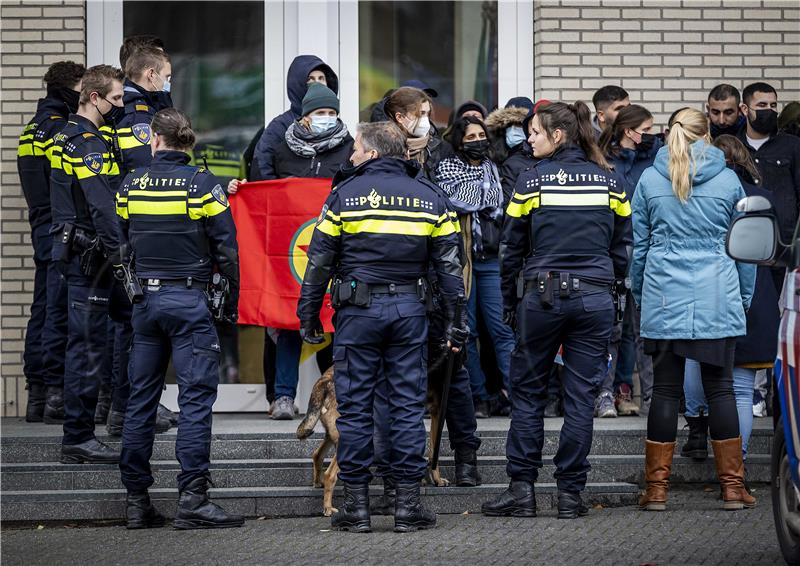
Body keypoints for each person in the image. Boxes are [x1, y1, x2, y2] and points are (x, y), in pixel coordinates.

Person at [297, 121, 466, 533]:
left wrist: (307, 314)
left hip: (358, 315)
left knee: (355, 409)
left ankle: (357, 509)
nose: (351, 155)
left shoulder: (343, 196)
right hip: (410, 312)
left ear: (372, 153)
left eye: (355, 148)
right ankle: (407, 506)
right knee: (407, 407)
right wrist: (457, 322)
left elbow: (318, 261)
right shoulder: (431, 198)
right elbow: (449, 268)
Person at [482, 101, 631, 519]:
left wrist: (510, 305)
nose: (528, 138)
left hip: (542, 298)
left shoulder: (531, 181)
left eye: (534, 132)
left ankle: (522, 491)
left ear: (558, 135)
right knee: (581, 399)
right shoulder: (610, 179)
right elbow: (623, 248)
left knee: (528, 393)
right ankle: (570, 496)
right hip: (595, 298)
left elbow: (510, 248)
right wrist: (612, 292)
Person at [116, 108, 243, 530]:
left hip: (145, 305)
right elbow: (227, 248)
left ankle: (136, 502)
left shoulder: (130, 185)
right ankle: (193, 500)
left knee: (141, 402)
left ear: (154, 140)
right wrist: (231, 300)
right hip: (189, 301)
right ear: (188, 142)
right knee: (195, 403)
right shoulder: (203, 185)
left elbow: (122, 242)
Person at [632, 108, 756, 511]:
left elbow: (640, 247)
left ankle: (656, 491)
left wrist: (640, 292)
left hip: (664, 295)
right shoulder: (728, 180)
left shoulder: (650, 178)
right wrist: (744, 298)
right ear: (707, 136)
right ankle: (733, 489)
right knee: (720, 390)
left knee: (665, 391)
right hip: (717, 293)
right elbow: (745, 249)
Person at [680, 135, 780, 462]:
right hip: (754, 298)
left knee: (695, 362)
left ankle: (697, 433)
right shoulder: (762, 198)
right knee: (740, 389)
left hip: (704, 292)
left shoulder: (692, 195)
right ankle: (735, 468)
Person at [49, 65, 126, 464]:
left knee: (89, 341)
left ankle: (86, 429)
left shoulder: (65, 135)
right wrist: (120, 255)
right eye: (115, 99)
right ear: (93, 97)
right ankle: (78, 436)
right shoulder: (87, 142)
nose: (120, 107)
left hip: (74, 253)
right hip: (88, 258)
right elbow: (101, 206)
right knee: (87, 346)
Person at [263, 81, 353, 420]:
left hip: (336, 249)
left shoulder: (348, 147)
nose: (326, 118)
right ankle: (283, 396)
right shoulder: (282, 148)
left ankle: (338, 395)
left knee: (336, 321)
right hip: (294, 255)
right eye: (320, 113)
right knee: (291, 322)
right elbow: (266, 186)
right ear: (304, 117)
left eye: (332, 113)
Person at [99, 44, 175, 436]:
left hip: (127, 228)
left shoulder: (137, 105)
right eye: (165, 74)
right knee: (131, 324)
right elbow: (146, 170)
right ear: (149, 76)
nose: (167, 80)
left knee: (130, 323)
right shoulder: (137, 113)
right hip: (133, 230)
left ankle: (124, 406)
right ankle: (124, 409)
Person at [17, 61, 85, 423]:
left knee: (42, 309)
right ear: (68, 89)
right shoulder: (60, 131)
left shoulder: (31, 130)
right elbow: (67, 184)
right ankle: (55, 396)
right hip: (61, 230)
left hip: (41, 228)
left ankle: (37, 396)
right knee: (57, 313)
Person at [436, 116, 514, 419]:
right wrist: (481, 196)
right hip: (462, 261)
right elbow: (453, 200)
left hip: (492, 260)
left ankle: (514, 393)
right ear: (459, 140)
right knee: (465, 330)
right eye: (471, 136)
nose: (479, 140)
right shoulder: (447, 168)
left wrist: (478, 195)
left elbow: (497, 201)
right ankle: (478, 396)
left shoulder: (492, 168)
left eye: (482, 135)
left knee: (501, 330)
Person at [595, 104, 662, 418]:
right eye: (645, 130)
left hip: (646, 255)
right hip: (614, 255)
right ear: (628, 131)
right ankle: (605, 394)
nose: (650, 136)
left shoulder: (655, 161)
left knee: (645, 331)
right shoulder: (604, 162)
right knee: (612, 331)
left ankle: (651, 396)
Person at [250, 55, 338, 181]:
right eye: (310, 79)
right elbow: (262, 167)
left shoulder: (336, 126)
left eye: (321, 78)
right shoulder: (279, 127)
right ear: (297, 83)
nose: (317, 83)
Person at [737, 82, 800, 246]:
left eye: (773, 105)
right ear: (745, 109)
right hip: (743, 241)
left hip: (784, 242)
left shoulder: (793, 146)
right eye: (762, 105)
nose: (769, 110)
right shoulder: (733, 146)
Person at [385, 86, 452, 181]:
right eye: (420, 113)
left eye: (427, 114)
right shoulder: (382, 149)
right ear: (399, 117)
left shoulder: (441, 148)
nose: (425, 119)